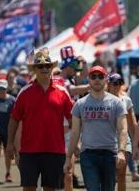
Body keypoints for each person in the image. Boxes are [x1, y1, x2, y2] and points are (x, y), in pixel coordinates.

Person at [6, 50, 74, 191]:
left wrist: (77, 142)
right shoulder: (24, 92)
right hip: (29, 151)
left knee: (50, 189)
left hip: (55, 150)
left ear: (51, 68)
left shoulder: (62, 92)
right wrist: (10, 143)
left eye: (47, 66)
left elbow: (73, 119)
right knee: (29, 189)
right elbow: (14, 119)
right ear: (34, 70)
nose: (44, 69)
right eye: (40, 66)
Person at [63, 66, 128, 191]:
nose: (97, 79)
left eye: (100, 76)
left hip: (110, 153)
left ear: (106, 79)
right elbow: (75, 133)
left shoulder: (116, 102)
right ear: (89, 80)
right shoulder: (80, 104)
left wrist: (121, 151)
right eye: (93, 77)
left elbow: (123, 129)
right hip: (88, 155)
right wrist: (68, 158)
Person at [58, 46, 89, 190]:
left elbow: (83, 74)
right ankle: (69, 179)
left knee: (70, 156)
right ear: (67, 66)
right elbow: (72, 90)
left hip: (72, 121)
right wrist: (92, 86)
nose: (75, 68)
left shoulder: (71, 77)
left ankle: (71, 178)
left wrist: (84, 63)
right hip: (65, 123)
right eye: (73, 66)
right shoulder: (60, 79)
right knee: (67, 156)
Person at [107, 73, 139, 191]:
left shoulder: (126, 99)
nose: (117, 86)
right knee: (110, 176)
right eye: (114, 83)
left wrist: (135, 145)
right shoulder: (102, 99)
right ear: (109, 85)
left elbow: (133, 124)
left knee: (121, 174)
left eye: (119, 83)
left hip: (123, 140)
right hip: (107, 141)